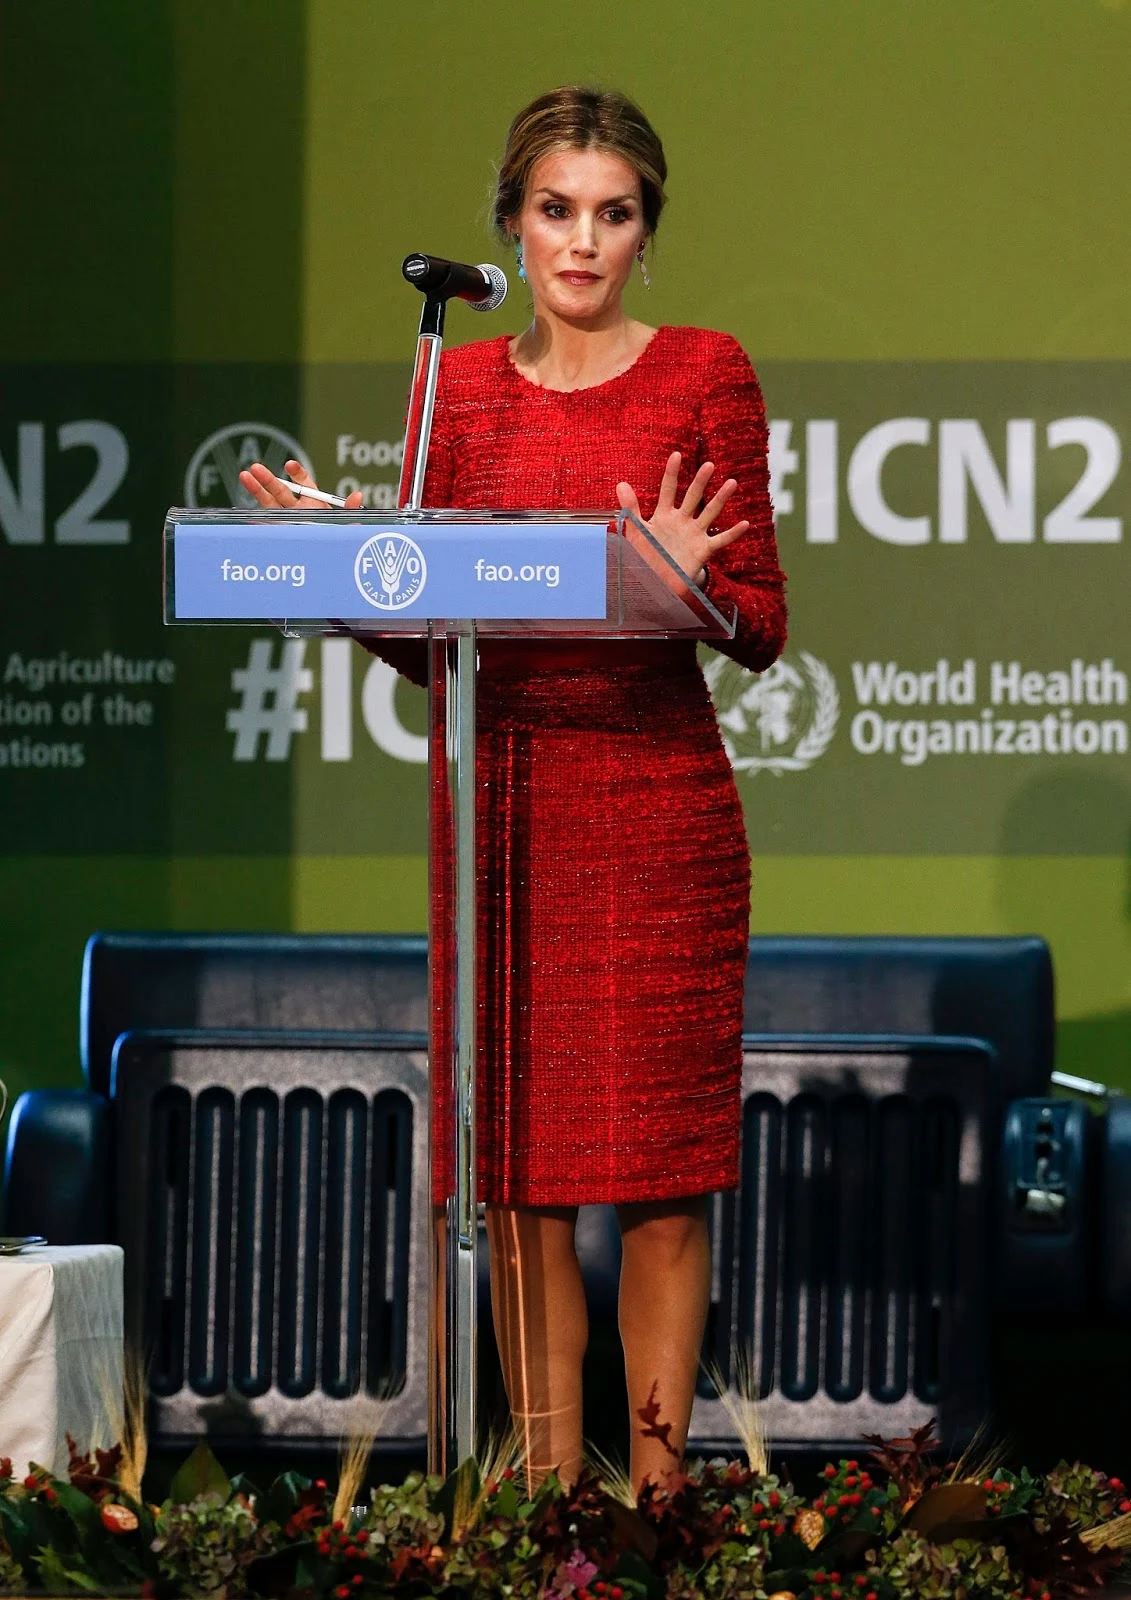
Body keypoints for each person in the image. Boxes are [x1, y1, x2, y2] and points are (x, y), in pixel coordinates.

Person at [239, 84, 787, 1493]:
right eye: (556, 211)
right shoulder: (457, 389)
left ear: (644, 232)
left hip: (655, 808)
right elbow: (438, 639)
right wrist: (332, 567)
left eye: (612, 214)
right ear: (510, 225)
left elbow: (762, 620)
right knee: (522, 1181)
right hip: (503, 815)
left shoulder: (704, 374)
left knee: (661, 1181)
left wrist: (685, 584)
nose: (582, 241)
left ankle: (659, 1508)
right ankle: (547, 1508)